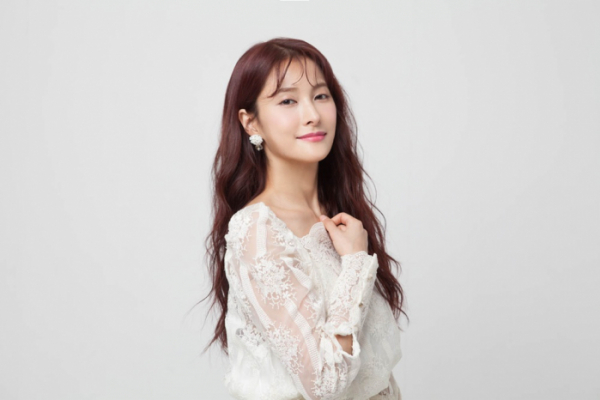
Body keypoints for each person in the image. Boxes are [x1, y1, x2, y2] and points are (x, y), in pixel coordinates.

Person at [203, 37, 409, 399]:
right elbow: (324, 383)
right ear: (250, 123)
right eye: (287, 101)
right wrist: (355, 264)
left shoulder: (341, 215)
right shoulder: (258, 230)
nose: (312, 114)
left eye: (321, 95)